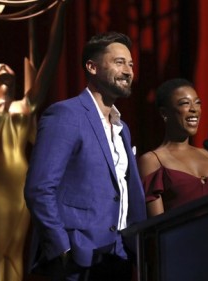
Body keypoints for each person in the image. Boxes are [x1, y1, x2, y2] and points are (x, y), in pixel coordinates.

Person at [0, 0, 69, 280]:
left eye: (7, 66)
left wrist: (62, 8)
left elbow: (51, 57)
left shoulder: (25, 105)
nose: (4, 67)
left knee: (16, 250)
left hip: (22, 178)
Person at [24, 32, 147, 281]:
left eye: (131, 64)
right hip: (77, 260)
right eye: (119, 62)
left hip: (119, 257)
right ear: (92, 67)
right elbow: (39, 188)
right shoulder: (66, 114)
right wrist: (62, 248)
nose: (128, 71)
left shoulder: (123, 128)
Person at [138, 78, 208, 217]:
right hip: (183, 239)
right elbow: (157, 228)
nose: (194, 109)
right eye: (185, 103)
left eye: (198, 103)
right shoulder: (152, 160)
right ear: (164, 113)